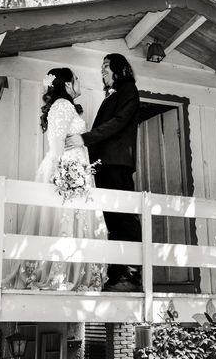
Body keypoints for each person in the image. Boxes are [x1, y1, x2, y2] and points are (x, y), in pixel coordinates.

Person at [3, 68, 108, 291]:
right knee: (65, 222)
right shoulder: (63, 105)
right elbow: (57, 141)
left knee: (75, 222)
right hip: (68, 171)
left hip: (75, 169)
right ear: (68, 85)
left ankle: (72, 272)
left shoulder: (65, 106)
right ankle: (60, 274)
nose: (79, 83)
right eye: (76, 79)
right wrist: (65, 173)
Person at [65, 53, 142, 292]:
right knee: (111, 218)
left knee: (124, 217)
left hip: (118, 164)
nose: (102, 71)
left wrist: (84, 139)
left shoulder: (129, 90)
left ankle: (133, 273)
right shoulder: (112, 96)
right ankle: (118, 274)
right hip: (104, 164)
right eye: (101, 67)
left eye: (106, 66)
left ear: (120, 69)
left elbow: (117, 123)